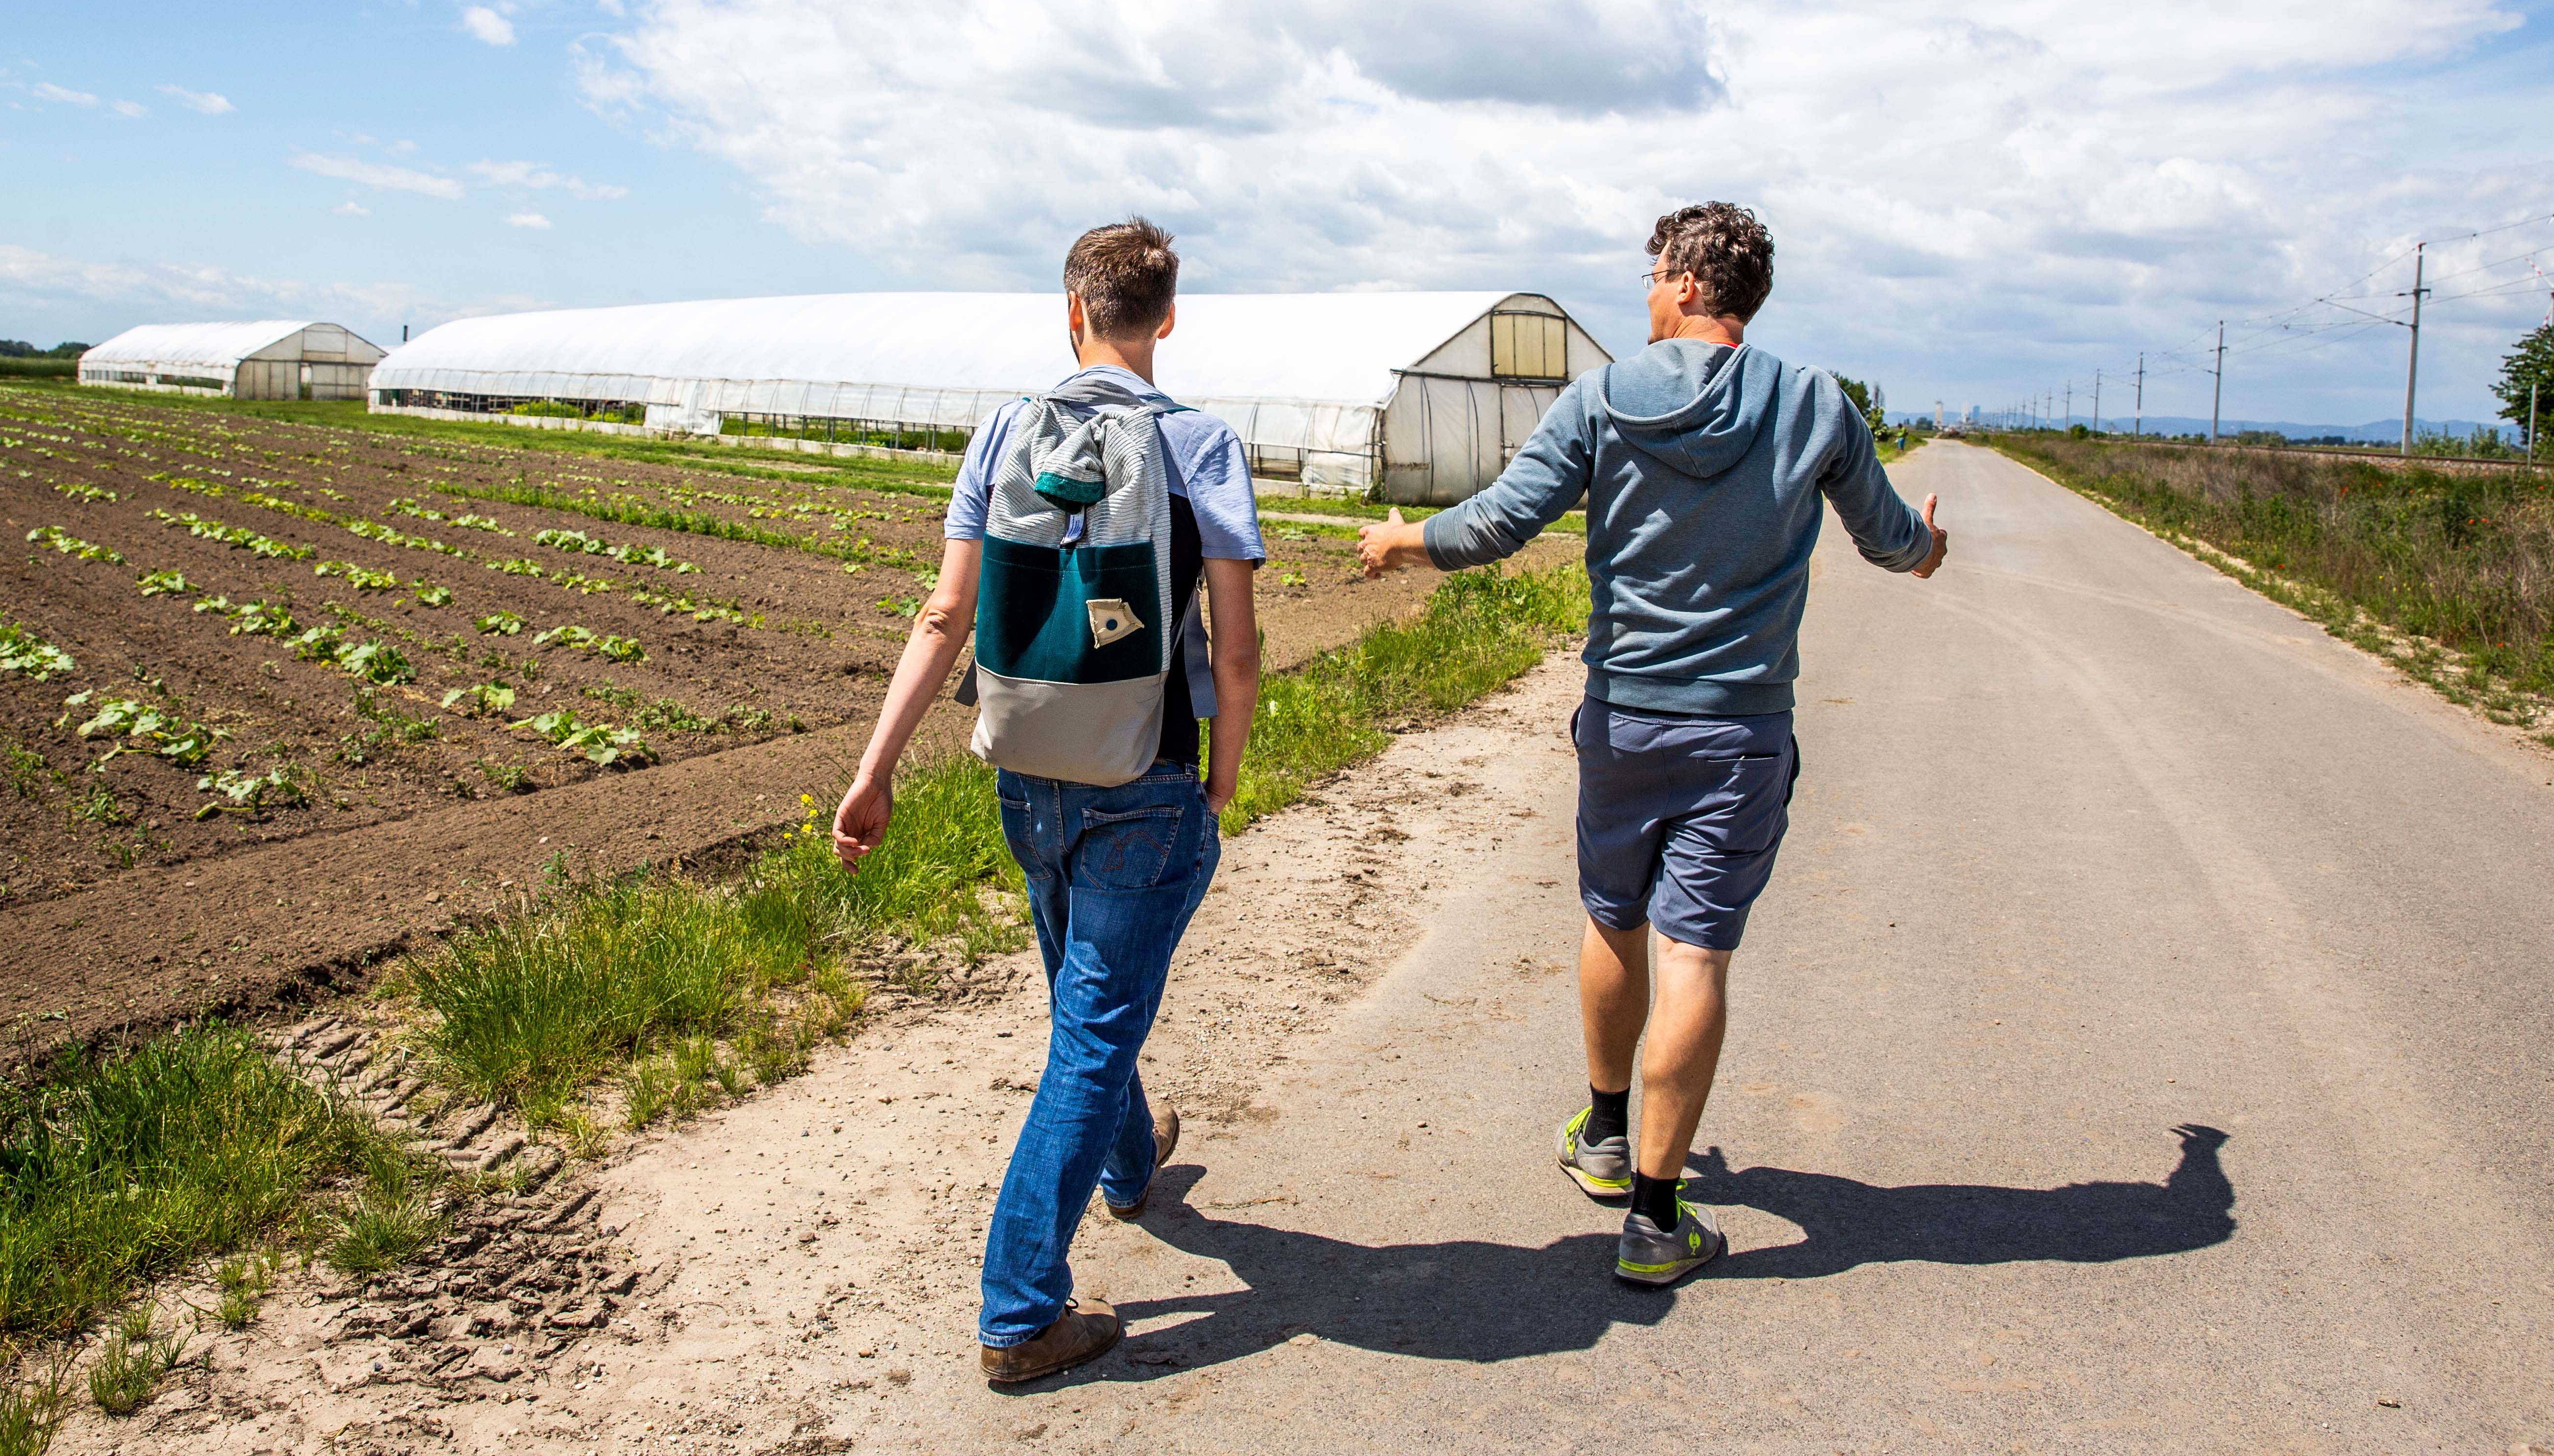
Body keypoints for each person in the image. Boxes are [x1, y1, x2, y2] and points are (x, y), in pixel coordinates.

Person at [1357, 201, 1946, 1286]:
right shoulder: (1815, 404)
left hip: (1626, 717)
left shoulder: (1602, 402)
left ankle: (1606, 1134)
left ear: (1685, 280)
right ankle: (1656, 1223)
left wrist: (1406, 540)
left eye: (1651, 277)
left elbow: (1498, 523)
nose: (1643, 297)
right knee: (1697, 954)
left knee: (1613, 916)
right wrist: (1930, 550)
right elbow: (1890, 537)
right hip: (1742, 727)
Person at [831, 218, 1264, 1384]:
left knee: (1089, 1013)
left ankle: (1131, 1170)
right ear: (1166, 318)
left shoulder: (1005, 432)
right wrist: (1221, 777)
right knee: (1091, 1039)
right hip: (1147, 779)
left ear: (1070, 310)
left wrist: (873, 771)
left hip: (1027, 769)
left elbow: (945, 614)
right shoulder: (1205, 447)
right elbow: (1234, 648)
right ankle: (1022, 1313)